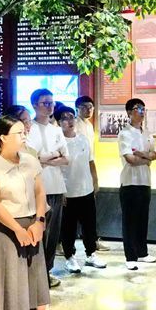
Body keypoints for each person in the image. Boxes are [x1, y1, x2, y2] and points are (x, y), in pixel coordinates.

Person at [0, 116, 63, 310]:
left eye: (24, 131)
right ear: (3, 138)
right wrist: (17, 229)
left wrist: (39, 222)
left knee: (36, 273)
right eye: (19, 132)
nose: (24, 135)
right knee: (2, 278)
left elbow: (40, 193)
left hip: (32, 224)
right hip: (5, 227)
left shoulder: (30, 160)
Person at [55, 105, 107, 272]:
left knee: (89, 225)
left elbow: (91, 162)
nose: (69, 121)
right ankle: (70, 257)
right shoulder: (57, 143)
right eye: (64, 118)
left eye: (71, 117)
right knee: (68, 227)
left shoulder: (83, 139)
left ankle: (91, 254)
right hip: (68, 192)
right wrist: (61, 191)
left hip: (86, 189)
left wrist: (95, 181)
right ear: (58, 122)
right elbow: (56, 169)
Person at [26, 88, 69, 288]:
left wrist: (44, 158)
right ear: (35, 105)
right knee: (38, 232)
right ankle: (34, 274)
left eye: (52, 103)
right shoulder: (28, 128)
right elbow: (31, 158)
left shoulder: (56, 129)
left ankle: (47, 272)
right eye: (45, 103)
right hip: (36, 189)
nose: (50, 106)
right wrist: (53, 155)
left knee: (53, 235)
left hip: (56, 186)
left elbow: (66, 159)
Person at [118, 98, 156, 270]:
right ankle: (130, 256)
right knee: (130, 221)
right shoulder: (124, 134)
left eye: (143, 108)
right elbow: (130, 159)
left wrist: (143, 154)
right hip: (130, 183)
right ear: (129, 112)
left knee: (143, 219)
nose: (142, 112)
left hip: (145, 182)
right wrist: (147, 159)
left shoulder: (147, 133)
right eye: (138, 108)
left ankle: (142, 253)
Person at [75, 96, 109, 252]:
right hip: (77, 173)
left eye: (90, 107)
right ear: (77, 108)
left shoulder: (88, 125)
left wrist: (94, 177)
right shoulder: (76, 125)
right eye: (84, 107)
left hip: (87, 171)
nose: (88, 110)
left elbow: (90, 155)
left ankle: (92, 241)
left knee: (90, 212)